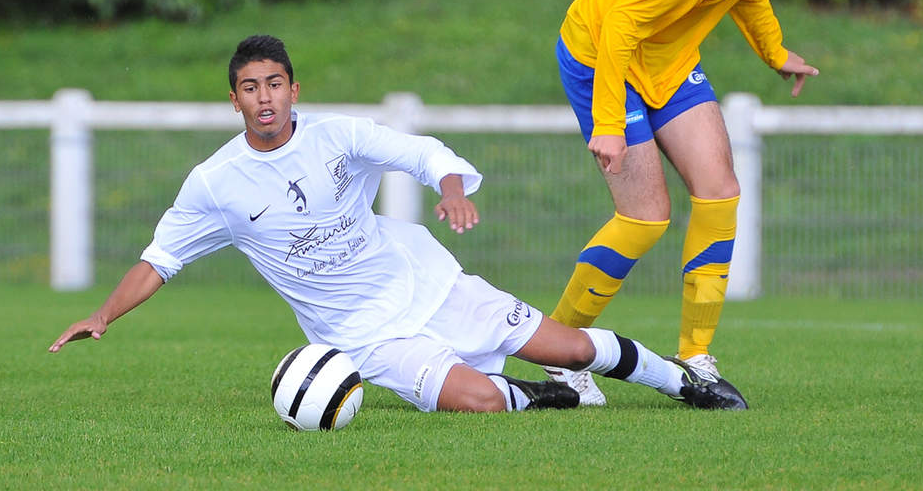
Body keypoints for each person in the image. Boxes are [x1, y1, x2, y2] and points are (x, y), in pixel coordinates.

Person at [50, 34, 746, 413]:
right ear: (233, 100)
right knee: (477, 401)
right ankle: (545, 401)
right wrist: (105, 314)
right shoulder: (215, 183)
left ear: (295, 89)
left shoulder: (338, 137)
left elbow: (421, 153)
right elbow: (160, 259)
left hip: (427, 282)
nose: (264, 98)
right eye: (249, 87)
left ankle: (683, 382)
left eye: (274, 84)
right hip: (361, 333)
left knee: (568, 348)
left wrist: (450, 189)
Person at [545, 0, 841, 406]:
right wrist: (609, 121)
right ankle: (558, 354)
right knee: (645, 217)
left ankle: (694, 356)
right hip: (602, 50)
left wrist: (775, 52)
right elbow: (623, 22)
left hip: (666, 54)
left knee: (719, 189)